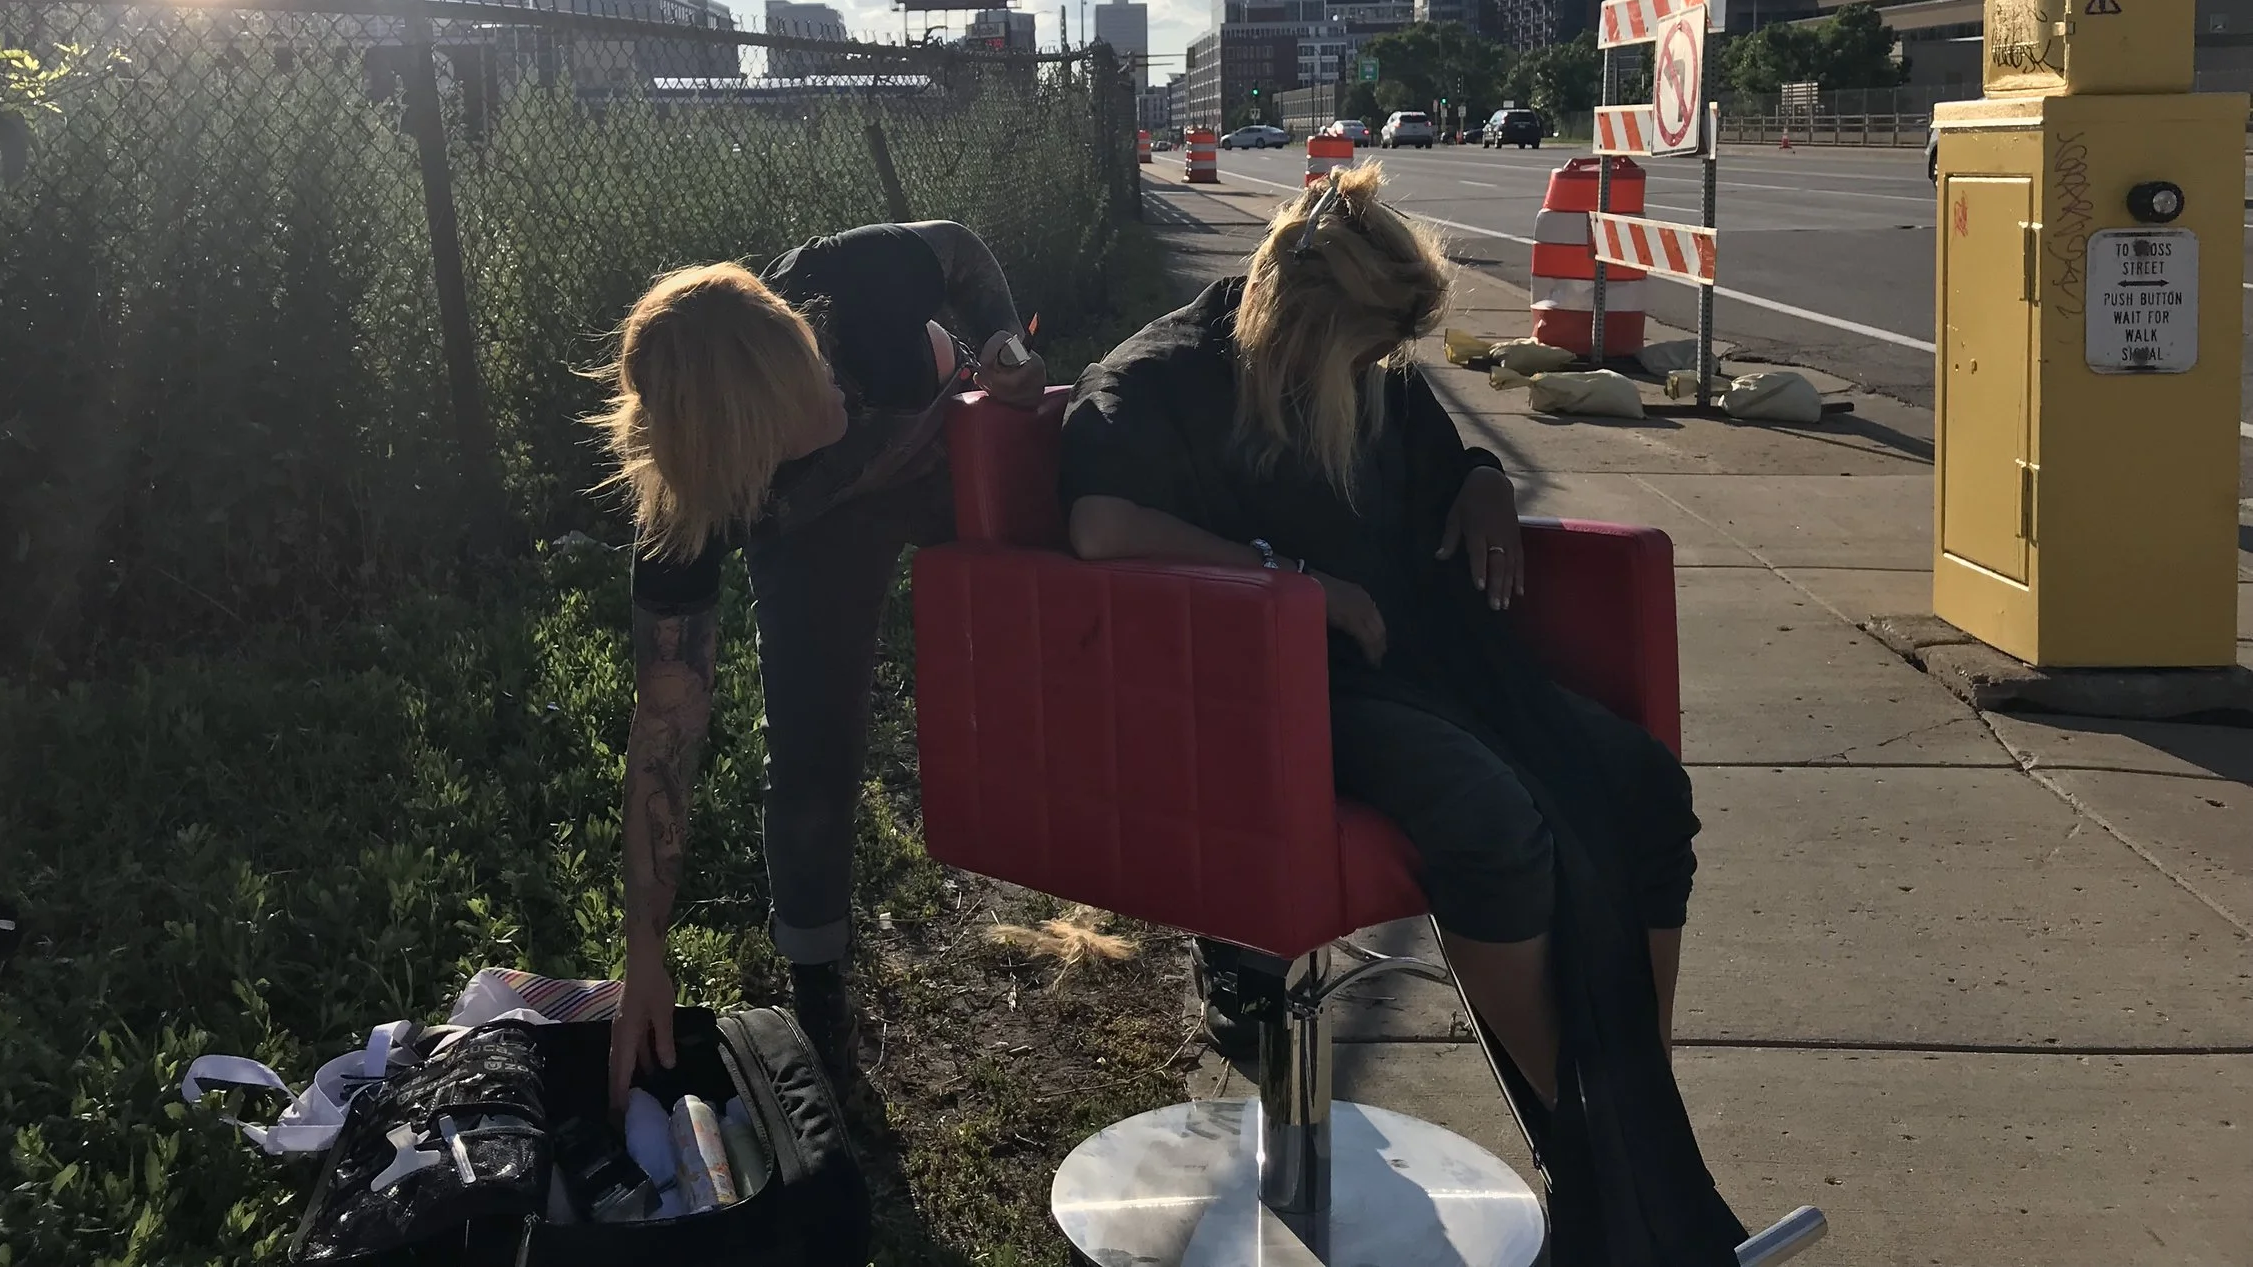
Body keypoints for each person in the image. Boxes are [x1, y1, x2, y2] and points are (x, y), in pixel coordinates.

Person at [1057, 164, 1745, 1264]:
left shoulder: (1362, 367)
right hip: (1272, 696)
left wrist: (1479, 475)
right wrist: (1293, 581)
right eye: (1371, 348)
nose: (1384, 371)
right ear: (1301, 317)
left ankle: (1624, 1117)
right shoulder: (1160, 379)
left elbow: (1439, 448)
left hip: (1421, 665)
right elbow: (1098, 527)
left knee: (1637, 788)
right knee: (1490, 815)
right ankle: (1587, 1143)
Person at [596, 221, 1045, 1112]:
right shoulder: (692, 506)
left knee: (1090, 555)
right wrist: (643, 953)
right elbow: (665, 730)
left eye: (814, 364)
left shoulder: (853, 285)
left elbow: (956, 247)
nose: (830, 393)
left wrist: (1006, 345)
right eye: (803, 408)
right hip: (820, 532)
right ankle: (819, 1001)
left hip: (942, 436)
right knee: (810, 757)